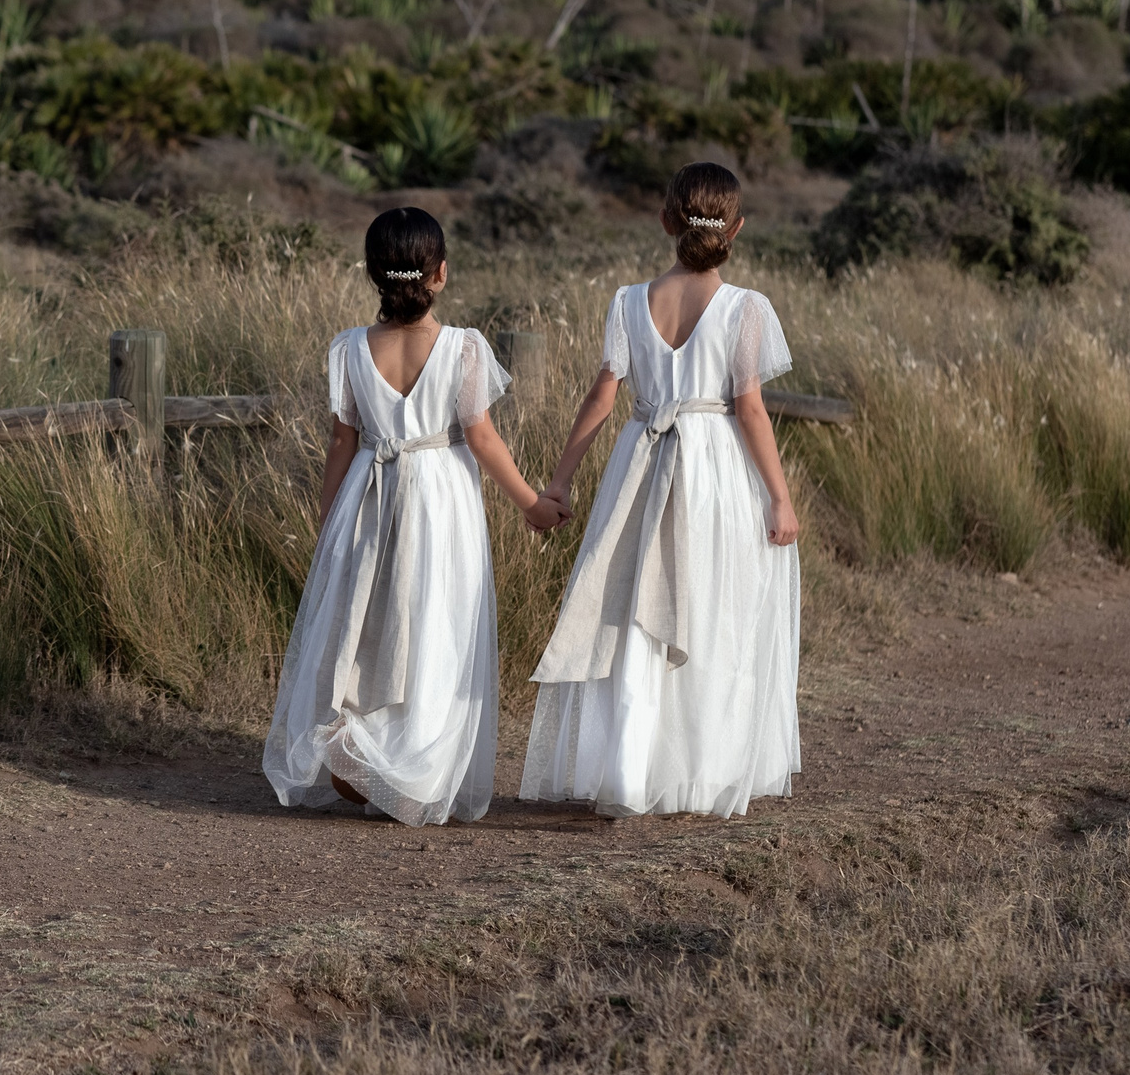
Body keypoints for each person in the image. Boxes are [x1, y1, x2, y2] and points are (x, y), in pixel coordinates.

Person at [520, 161, 803, 819]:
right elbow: (751, 408)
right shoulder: (745, 309)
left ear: (666, 220)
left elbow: (602, 394)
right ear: (737, 227)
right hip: (712, 469)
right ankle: (698, 768)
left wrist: (561, 479)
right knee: (708, 605)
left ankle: (630, 763)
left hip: (641, 460)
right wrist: (781, 497)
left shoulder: (628, 301)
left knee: (635, 607)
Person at [264, 207, 565, 824]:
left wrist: (331, 528)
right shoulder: (464, 349)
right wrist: (531, 502)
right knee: (435, 620)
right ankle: (414, 764)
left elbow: (341, 443)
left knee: (369, 620)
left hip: (366, 496)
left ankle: (365, 742)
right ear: (441, 274)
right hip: (439, 500)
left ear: (373, 274)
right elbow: (480, 437)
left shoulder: (348, 349)